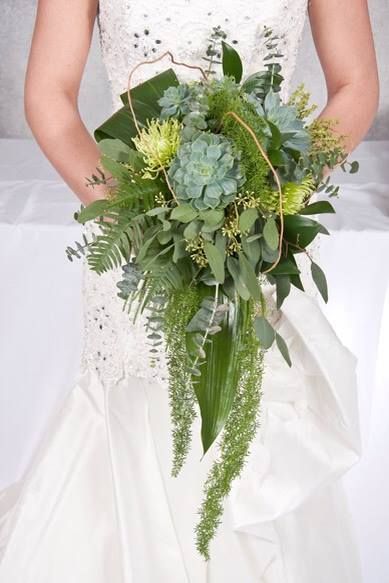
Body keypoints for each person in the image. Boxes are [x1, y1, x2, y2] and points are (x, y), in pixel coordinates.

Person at [0, 1, 379, 581]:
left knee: (249, 438)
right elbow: (49, 94)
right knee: (132, 427)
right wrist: (138, 216)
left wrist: (270, 195)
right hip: (137, 247)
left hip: (260, 239)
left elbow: (356, 83)